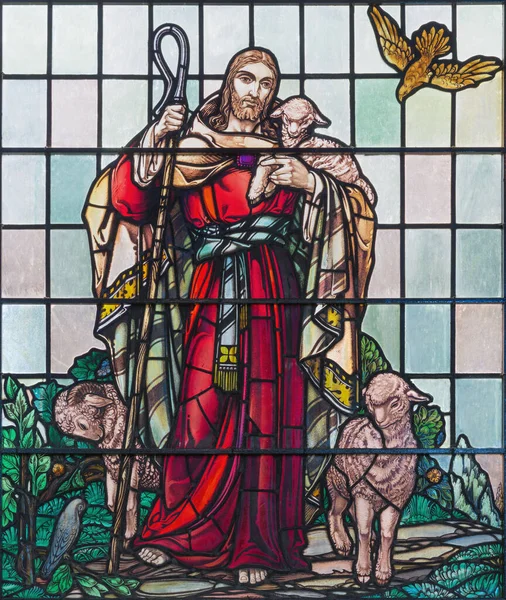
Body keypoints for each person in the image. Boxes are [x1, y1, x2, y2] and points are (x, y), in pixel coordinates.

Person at [83, 47, 376, 585]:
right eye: (247, 79)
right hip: (207, 291)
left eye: (268, 83)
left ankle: (257, 545)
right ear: (227, 82)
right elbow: (127, 201)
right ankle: (176, 529)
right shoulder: (192, 141)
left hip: (272, 294)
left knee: (266, 417)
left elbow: (357, 205)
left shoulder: (296, 150)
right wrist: (154, 140)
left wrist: (311, 184)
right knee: (198, 412)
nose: (256, 92)